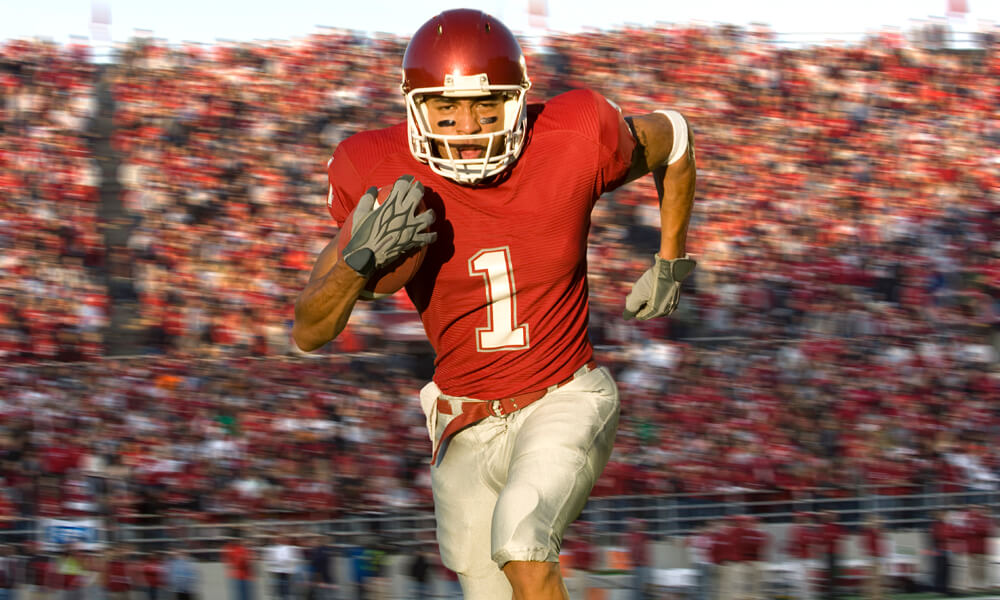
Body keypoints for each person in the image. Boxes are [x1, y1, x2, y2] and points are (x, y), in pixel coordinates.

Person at [293, 8, 697, 599]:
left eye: (487, 106)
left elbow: (675, 137)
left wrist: (670, 261)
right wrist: (358, 262)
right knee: (488, 587)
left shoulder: (572, 133)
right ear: (414, 106)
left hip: (563, 394)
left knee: (522, 541)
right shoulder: (377, 170)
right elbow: (308, 331)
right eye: (447, 110)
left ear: (518, 100)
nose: (469, 126)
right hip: (464, 421)